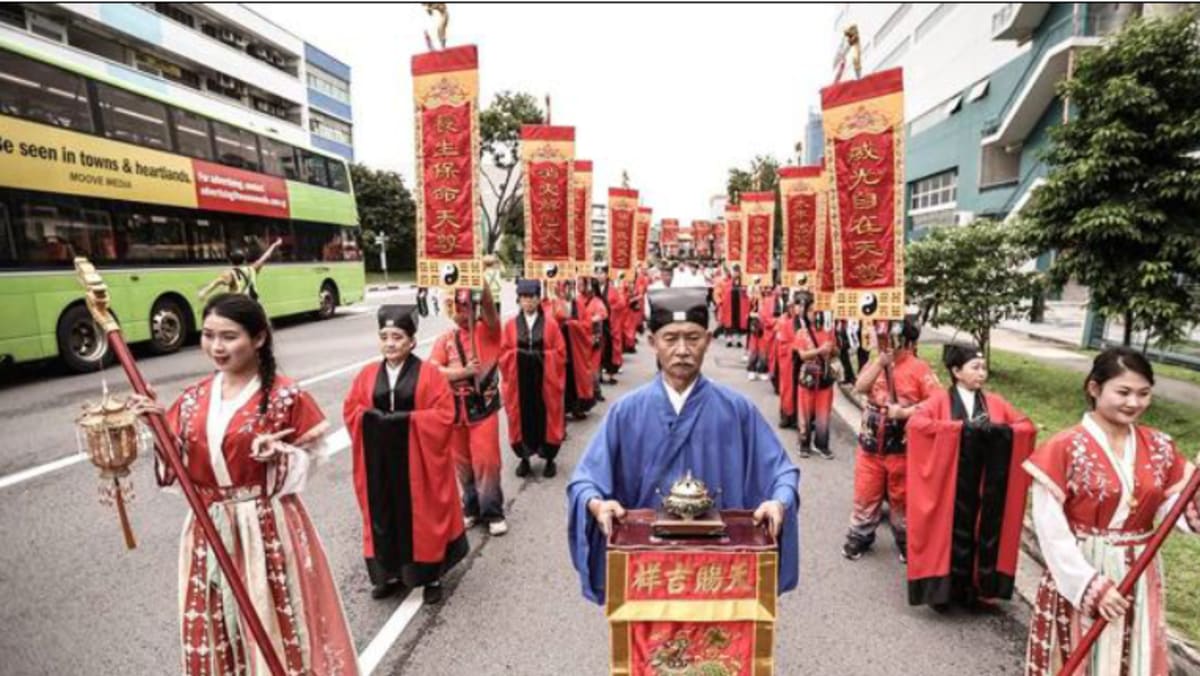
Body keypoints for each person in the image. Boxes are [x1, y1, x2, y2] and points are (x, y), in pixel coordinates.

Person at [127, 293, 357, 675]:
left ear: (259, 338)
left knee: (276, 624)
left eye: (229, 336)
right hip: (208, 529)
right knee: (218, 627)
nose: (217, 347)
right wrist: (158, 429)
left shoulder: (285, 396)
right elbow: (182, 471)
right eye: (209, 335)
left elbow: (313, 459)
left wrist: (278, 456)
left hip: (266, 526)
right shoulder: (191, 399)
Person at [567, 287, 801, 604]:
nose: (681, 350)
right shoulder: (627, 412)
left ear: (707, 339)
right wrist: (597, 504)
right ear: (652, 342)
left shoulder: (737, 410)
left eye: (692, 338)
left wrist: (779, 503)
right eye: (670, 338)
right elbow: (584, 481)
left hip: (720, 567)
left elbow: (782, 473)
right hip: (648, 567)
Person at [1023, 348, 1200, 676]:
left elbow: (1175, 508)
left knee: (1134, 657)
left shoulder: (1159, 446)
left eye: (1144, 393)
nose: (1134, 403)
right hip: (1081, 569)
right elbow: (1050, 529)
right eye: (1123, 392)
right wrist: (1090, 585)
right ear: (1094, 389)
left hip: (1139, 573)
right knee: (1080, 655)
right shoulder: (1064, 448)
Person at [343, 305, 468, 603]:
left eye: (397, 337)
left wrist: (403, 423)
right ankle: (388, 574)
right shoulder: (367, 375)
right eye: (384, 336)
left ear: (411, 341)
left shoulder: (429, 375)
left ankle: (430, 576)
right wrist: (374, 421)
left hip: (417, 463)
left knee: (424, 517)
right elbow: (351, 410)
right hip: (380, 463)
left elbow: (443, 415)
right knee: (382, 515)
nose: (390, 343)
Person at [905, 343, 1036, 610]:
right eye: (975, 367)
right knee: (952, 534)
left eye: (984, 367)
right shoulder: (940, 401)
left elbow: (1026, 426)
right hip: (953, 485)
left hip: (987, 485)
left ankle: (979, 588)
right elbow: (916, 425)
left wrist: (1002, 432)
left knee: (982, 533)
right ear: (956, 371)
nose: (982, 373)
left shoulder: (995, 403)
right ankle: (944, 592)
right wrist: (959, 430)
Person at [842, 316, 940, 562]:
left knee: (902, 497)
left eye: (887, 336)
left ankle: (906, 539)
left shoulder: (919, 368)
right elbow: (860, 387)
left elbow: (937, 401)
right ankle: (860, 535)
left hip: (902, 448)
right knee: (866, 491)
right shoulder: (877, 363)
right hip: (871, 445)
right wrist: (879, 364)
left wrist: (906, 412)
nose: (880, 340)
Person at [430, 286, 509, 536]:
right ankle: (471, 507)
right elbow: (433, 372)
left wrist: (478, 280)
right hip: (454, 410)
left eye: (464, 306)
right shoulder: (444, 340)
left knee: (487, 461)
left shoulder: (489, 331)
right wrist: (461, 373)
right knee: (462, 464)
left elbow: (489, 308)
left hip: (482, 408)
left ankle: (493, 511)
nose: (460, 313)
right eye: (454, 308)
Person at [501, 279, 567, 478]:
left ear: (539, 299)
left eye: (531, 297)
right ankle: (524, 458)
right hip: (519, 383)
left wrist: (541, 358)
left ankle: (549, 459)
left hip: (545, 383)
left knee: (549, 416)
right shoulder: (511, 325)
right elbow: (503, 354)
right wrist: (518, 357)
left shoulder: (551, 325)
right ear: (518, 300)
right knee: (519, 417)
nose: (527, 302)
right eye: (523, 298)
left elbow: (561, 353)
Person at [794, 296, 837, 460]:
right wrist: (820, 351)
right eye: (811, 310)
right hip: (808, 378)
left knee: (823, 413)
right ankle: (804, 443)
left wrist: (831, 350)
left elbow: (836, 352)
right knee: (804, 412)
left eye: (818, 309)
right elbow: (803, 355)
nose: (815, 313)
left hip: (825, 378)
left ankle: (822, 444)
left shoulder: (829, 332)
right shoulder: (802, 333)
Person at [548, 280, 596, 420]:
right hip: (560, 347)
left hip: (576, 349)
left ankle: (577, 408)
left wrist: (572, 325)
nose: (565, 291)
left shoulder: (578, 305)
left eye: (568, 287)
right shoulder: (554, 305)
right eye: (563, 287)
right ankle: (562, 410)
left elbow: (587, 325)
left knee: (577, 378)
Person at [198, 238, 282, 301]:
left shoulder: (230, 273)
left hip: (239, 305)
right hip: (253, 304)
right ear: (244, 260)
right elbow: (265, 256)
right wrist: (274, 245)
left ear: (230, 262)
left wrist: (204, 292)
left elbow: (216, 282)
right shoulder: (252, 269)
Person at [775, 292, 804, 429]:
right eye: (794, 306)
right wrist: (795, 347)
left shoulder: (808, 324)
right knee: (788, 388)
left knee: (803, 389)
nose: (796, 309)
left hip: (803, 359)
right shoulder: (785, 323)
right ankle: (787, 416)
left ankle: (802, 418)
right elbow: (782, 343)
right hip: (790, 360)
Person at [718, 265, 750, 348]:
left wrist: (744, 291)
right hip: (730, 305)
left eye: (737, 272)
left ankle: (739, 340)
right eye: (735, 272)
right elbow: (724, 293)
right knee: (729, 323)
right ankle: (729, 340)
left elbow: (748, 294)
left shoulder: (744, 283)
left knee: (739, 322)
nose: (736, 273)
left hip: (740, 305)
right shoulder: (728, 282)